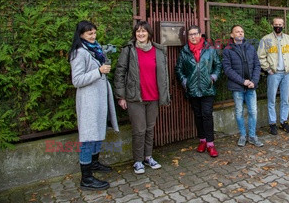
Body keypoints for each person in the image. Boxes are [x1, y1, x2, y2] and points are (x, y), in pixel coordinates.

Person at [114, 21, 171, 174]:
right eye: (138, 31)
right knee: (139, 130)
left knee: (150, 129)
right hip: (135, 98)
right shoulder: (129, 50)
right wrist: (121, 96)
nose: (140, 34)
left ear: (149, 33)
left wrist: (164, 95)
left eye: (143, 31)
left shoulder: (158, 50)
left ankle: (148, 157)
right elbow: (120, 73)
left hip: (153, 97)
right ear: (135, 34)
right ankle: (138, 161)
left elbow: (163, 75)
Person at [69, 20, 119, 191]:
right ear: (81, 34)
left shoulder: (95, 48)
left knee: (97, 132)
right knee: (88, 138)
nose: (93, 36)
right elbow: (76, 80)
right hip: (89, 101)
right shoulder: (79, 53)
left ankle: (95, 163)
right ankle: (86, 178)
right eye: (89, 33)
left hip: (99, 98)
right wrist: (98, 71)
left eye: (94, 32)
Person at [175, 25, 222, 157]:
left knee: (207, 114)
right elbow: (178, 69)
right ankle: (202, 141)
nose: (193, 36)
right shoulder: (184, 51)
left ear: (201, 34)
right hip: (193, 89)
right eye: (190, 34)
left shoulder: (210, 49)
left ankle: (210, 144)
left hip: (207, 88)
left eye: (195, 34)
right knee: (198, 115)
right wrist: (185, 82)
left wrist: (213, 77)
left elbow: (218, 65)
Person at [222, 25, 263, 147]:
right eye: (237, 32)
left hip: (251, 86)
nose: (240, 33)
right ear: (232, 35)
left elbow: (257, 65)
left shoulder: (250, 47)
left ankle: (252, 136)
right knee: (239, 112)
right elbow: (228, 69)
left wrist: (254, 81)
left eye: (242, 32)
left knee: (253, 112)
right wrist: (243, 81)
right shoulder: (227, 50)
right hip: (237, 87)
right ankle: (243, 135)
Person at [257, 17, 289, 135]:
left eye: (280, 24)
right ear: (272, 25)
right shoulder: (266, 40)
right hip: (274, 74)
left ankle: (284, 121)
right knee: (271, 99)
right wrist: (268, 69)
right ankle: (272, 123)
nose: (278, 26)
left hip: (286, 73)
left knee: (285, 99)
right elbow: (260, 56)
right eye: (276, 24)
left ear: (283, 25)